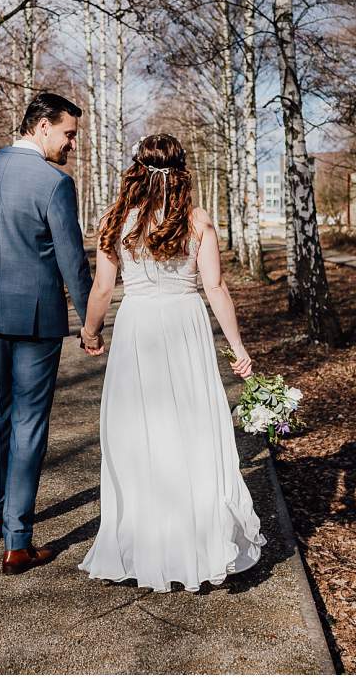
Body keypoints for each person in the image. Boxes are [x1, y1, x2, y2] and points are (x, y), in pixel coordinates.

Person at [76, 132, 266, 593]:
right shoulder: (196, 220)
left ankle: (146, 544)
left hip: (139, 327)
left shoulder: (117, 219)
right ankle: (195, 545)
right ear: (181, 171)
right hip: (184, 326)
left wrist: (90, 331)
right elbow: (216, 288)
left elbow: (102, 290)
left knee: (138, 433)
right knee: (191, 430)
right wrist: (238, 347)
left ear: (137, 169)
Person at [0, 92, 103, 576]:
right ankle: (18, 540)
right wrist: (89, 323)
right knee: (29, 423)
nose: (72, 144)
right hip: (36, 321)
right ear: (41, 126)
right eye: (69, 133)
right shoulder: (54, 182)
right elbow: (71, 260)